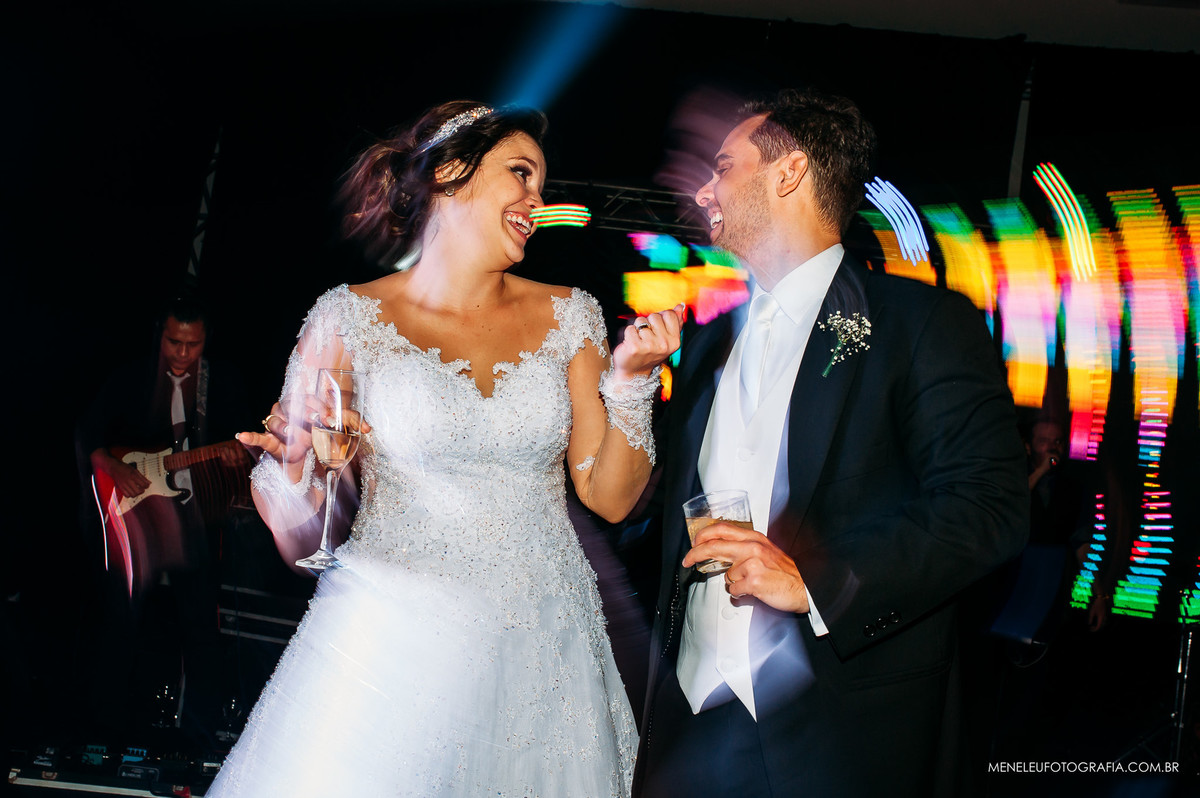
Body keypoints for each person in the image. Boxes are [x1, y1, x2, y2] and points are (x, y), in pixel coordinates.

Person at [208, 101, 681, 797]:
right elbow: (303, 533)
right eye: (520, 174)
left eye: (541, 183)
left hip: (543, 645)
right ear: (452, 173)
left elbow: (608, 494)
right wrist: (293, 468)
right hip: (394, 647)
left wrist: (631, 385)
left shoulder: (570, 313)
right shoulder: (346, 317)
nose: (536, 200)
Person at [633, 89, 1028, 797]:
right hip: (689, 720)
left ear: (788, 175)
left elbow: (987, 509)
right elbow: (658, 511)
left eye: (724, 165)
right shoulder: (707, 343)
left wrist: (816, 581)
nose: (703, 187)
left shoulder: (920, 324)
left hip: (841, 730)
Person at [77, 293, 251, 741]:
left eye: (192, 345)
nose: (182, 353)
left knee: (201, 632)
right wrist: (115, 469)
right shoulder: (130, 379)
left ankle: (199, 736)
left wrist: (234, 457)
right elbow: (88, 437)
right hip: (137, 523)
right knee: (121, 625)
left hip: (193, 523)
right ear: (161, 336)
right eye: (174, 342)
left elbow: (235, 449)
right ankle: (106, 731)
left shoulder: (222, 383)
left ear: (205, 340)